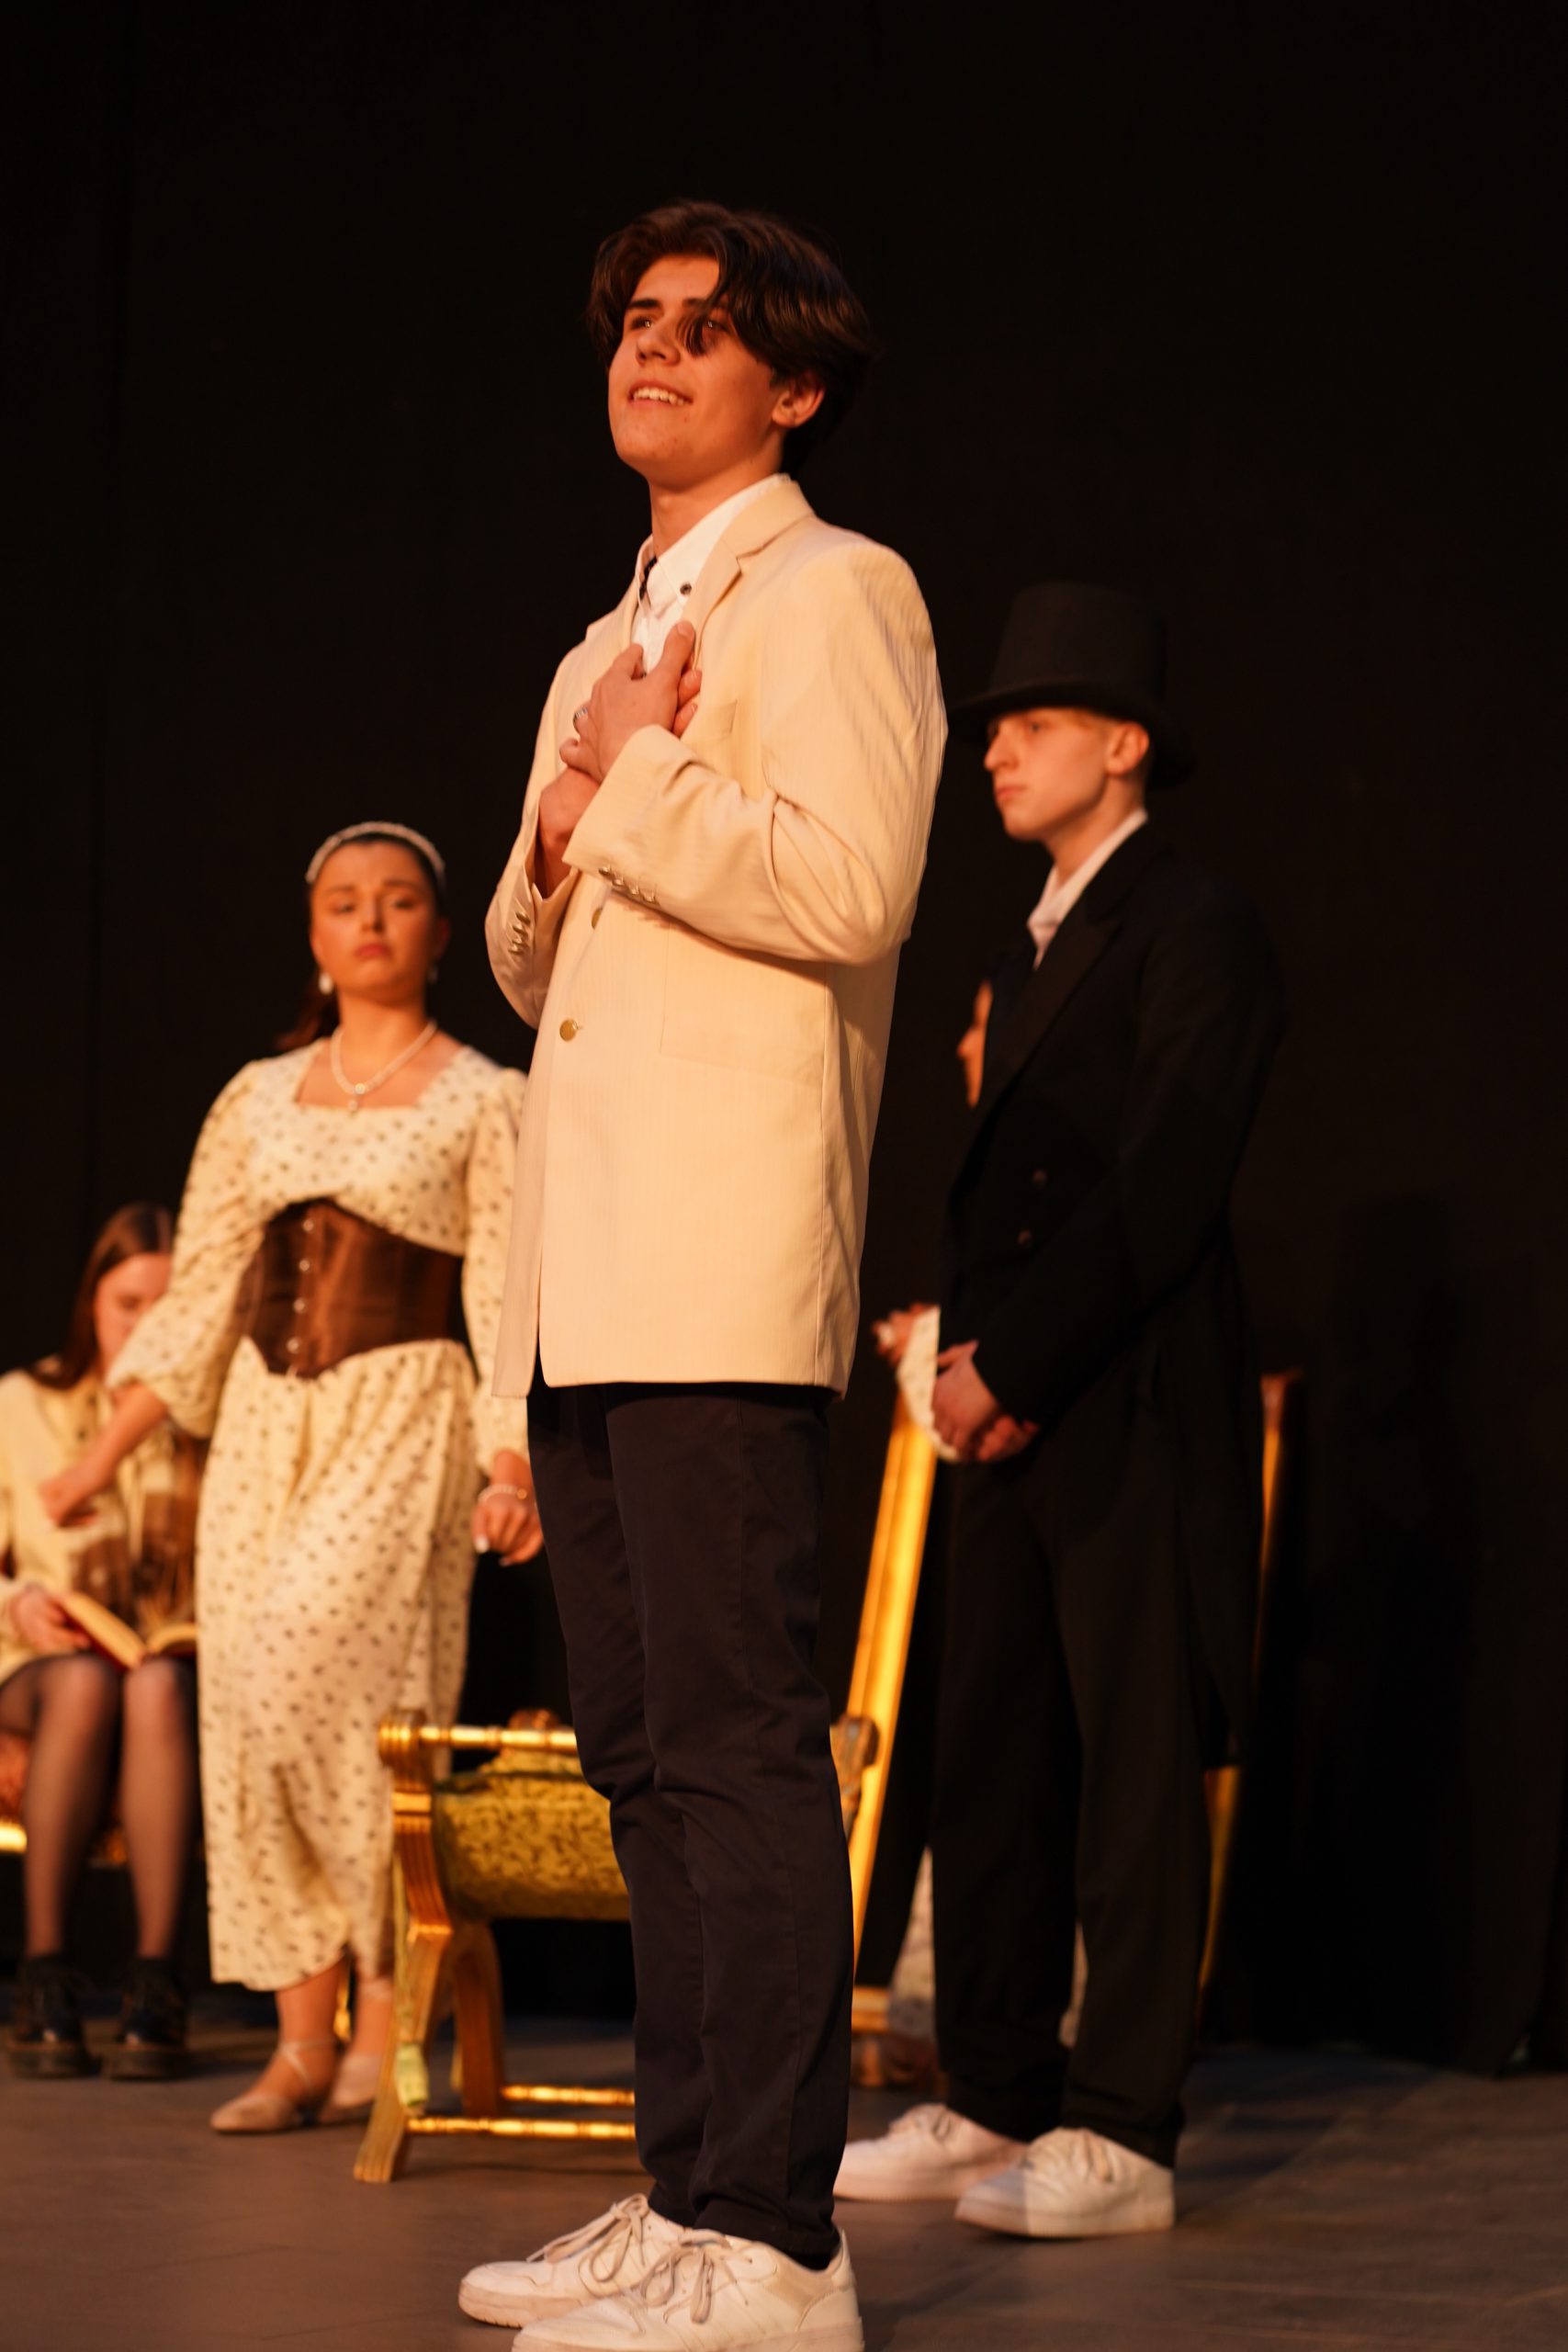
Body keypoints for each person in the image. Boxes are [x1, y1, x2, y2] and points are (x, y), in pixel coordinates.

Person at [465, 201, 944, 2351]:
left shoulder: (838, 590)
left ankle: (773, 2238)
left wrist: (635, 771)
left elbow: (847, 887)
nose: (646, 353)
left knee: (738, 1747)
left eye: (700, 330)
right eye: (632, 325)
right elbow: (521, 955)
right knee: (640, 1751)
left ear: (794, 386)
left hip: (723, 1254)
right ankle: (683, 2193)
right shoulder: (602, 637)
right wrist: (577, 791)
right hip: (587, 1265)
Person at [836, 582, 1285, 2237]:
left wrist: (1011, 1367)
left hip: (1127, 1394)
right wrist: (972, 1365)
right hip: (1011, 1395)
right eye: (993, 729)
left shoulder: (1194, 924)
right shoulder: (1025, 940)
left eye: (1031, 725)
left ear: (1123, 743)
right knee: (994, 1750)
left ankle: (1122, 2126)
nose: (995, 754)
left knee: (1128, 1756)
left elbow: (1162, 1182)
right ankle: (994, 2087)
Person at [39, 822, 538, 2132]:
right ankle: (301, 2040)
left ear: (439, 931)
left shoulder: (484, 1098)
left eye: (398, 901)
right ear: (313, 935)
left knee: (331, 1682)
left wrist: (510, 1462)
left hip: (400, 1415)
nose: (370, 921)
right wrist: (98, 1455)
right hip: (266, 1427)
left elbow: (505, 1292)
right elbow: (201, 1293)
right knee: (249, 1712)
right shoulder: (255, 1098)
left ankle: (385, 2003)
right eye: (344, 903)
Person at [1, 1204, 201, 2077]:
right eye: (128, 1305)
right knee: (85, 1681)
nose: (145, 1327)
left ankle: (155, 1983)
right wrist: (17, 1603)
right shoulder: (24, 1402)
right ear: (92, 1303)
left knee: (150, 1685)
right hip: (41, 1664)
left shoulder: (209, 1424)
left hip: (169, 1675)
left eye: (168, 1309)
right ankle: (43, 1972)